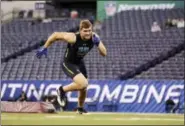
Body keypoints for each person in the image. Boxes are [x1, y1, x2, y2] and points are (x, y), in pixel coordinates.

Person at [36, 19, 107, 114]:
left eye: (89, 30)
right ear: (80, 30)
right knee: (83, 83)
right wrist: (45, 47)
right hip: (68, 63)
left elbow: (104, 53)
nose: (88, 33)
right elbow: (56, 35)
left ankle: (80, 108)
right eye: (85, 31)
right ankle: (61, 90)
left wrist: (98, 43)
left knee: (84, 87)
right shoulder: (73, 37)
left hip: (79, 62)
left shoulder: (94, 37)